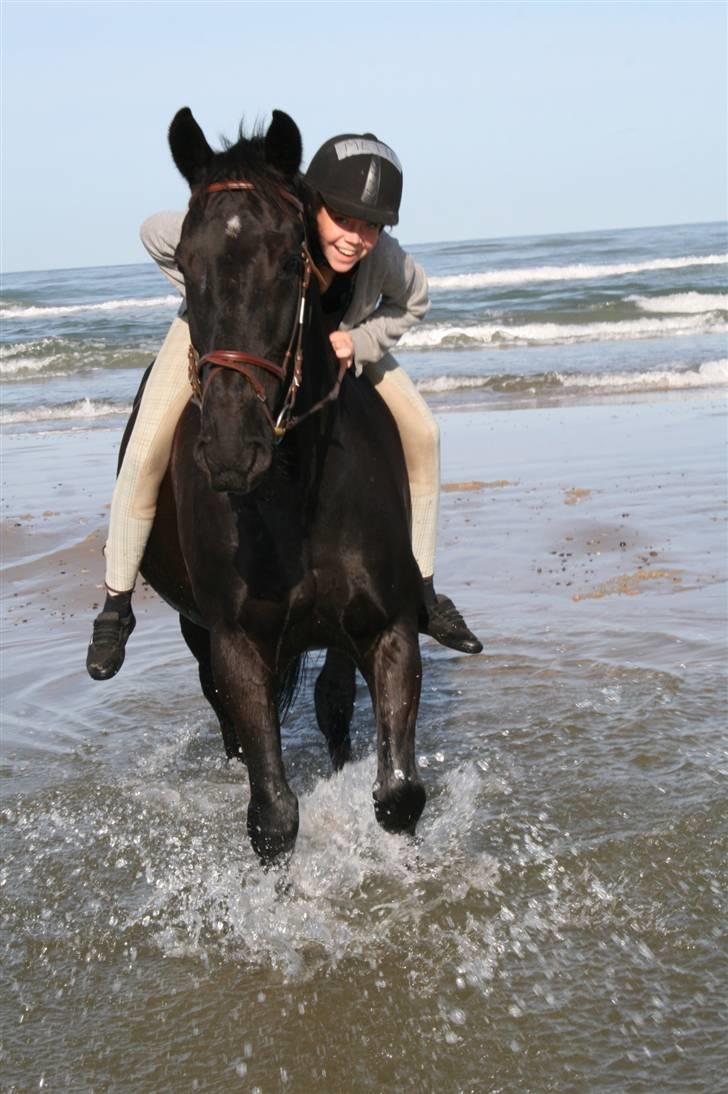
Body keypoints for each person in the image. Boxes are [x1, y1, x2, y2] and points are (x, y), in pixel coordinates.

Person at [86, 132, 482, 680]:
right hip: (226, 342)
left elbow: (414, 301)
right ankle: (116, 602)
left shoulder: (383, 258)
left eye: (372, 226)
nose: (356, 239)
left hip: (333, 345)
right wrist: (210, 286)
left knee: (425, 432)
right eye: (344, 220)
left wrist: (360, 341)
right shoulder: (271, 227)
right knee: (145, 447)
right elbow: (154, 232)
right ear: (313, 204)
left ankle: (425, 591)